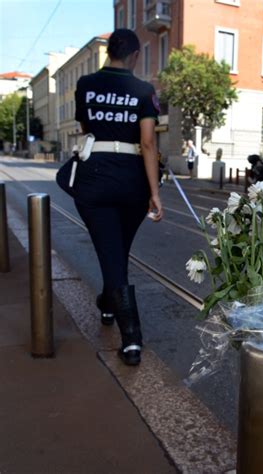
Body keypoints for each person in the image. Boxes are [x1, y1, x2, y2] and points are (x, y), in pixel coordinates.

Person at [65, 29, 163, 366]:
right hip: (133, 181)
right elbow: (148, 143)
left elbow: (84, 130)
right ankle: (130, 334)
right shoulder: (143, 90)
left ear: (109, 52)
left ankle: (113, 308)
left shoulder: (86, 85)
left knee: (111, 250)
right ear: (135, 55)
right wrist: (154, 192)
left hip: (95, 179)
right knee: (116, 250)